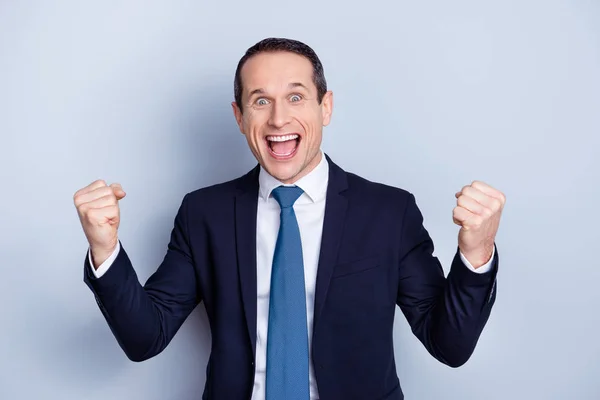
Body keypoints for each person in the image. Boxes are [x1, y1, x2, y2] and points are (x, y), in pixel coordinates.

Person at [74, 37, 505, 400]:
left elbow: (449, 344)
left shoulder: (389, 212)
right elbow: (145, 337)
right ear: (240, 117)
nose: (279, 119)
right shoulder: (204, 214)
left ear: (326, 107)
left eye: (296, 97)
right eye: (260, 101)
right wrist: (105, 248)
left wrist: (476, 254)